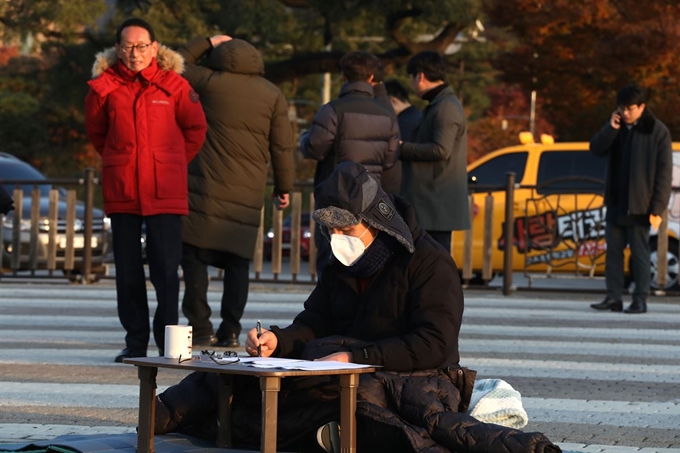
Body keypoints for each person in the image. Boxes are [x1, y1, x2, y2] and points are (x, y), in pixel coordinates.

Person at [153, 162, 561, 453]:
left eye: (346, 230)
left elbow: (434, 343)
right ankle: (161, 416)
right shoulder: (339, 263)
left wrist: (357, 356)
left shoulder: (428, 262)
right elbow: (315, 320)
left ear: (376, 221)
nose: (337, 238)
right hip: (336, 370)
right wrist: (278, 340)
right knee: (232, 375)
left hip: (411, 377)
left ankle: (303, 433)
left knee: (357, 400)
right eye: (331, 231)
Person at [84, 18, 207, 362]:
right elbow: (97, 134)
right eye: (127, 46)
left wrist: (170, 161)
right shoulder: (103, 88)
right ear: (117, 49)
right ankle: (135, 341)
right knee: (127, 271)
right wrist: (119, 160)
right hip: (123, 190)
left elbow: (196, 128)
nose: (134, 53)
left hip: (165, 190)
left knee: (166, 270)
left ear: (154, 48)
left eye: (141, 46)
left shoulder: (175, 86)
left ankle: (167, 340)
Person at [176, 35, 294, 347]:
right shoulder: (272, 94)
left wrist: (204, 41)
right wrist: (285, 187)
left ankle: (200, 326)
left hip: (202, 187)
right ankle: (230, 329)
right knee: (237, 264)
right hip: (247, 194)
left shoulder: (207, 81)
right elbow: (282, 146)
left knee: (194, 258)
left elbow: (172, 64)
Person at [300, 50, 400, 271]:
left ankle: (331, 305)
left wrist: (303, 139)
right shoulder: (387, 116)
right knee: (367, 261)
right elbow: (390, 159)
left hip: (336, 195)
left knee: (331, 259)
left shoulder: (333, 110)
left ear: (343, 77)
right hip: (371, 197)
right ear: (372, 79)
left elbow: (314, 147)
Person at [589, 84, 672, 314]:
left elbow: (664, 175)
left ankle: (640, 299)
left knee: (640, 255)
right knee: (613, 253)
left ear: (642, 107)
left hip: (641, 205)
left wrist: (657, 207)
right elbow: (595, 149)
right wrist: (610, 128)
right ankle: (613, 297)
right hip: (616, 202)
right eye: (622, 108)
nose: (626, 113)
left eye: (631, 108)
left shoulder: (657, 131)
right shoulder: (616, 127)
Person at [400, 51, 470, 254]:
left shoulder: (445, 107)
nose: (411, 84)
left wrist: (402, 148)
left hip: (435, 203)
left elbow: (441, 149)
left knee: (434, 263)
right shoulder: (440, 104)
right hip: (432, 203)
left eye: (411, 78)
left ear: (420, 76)